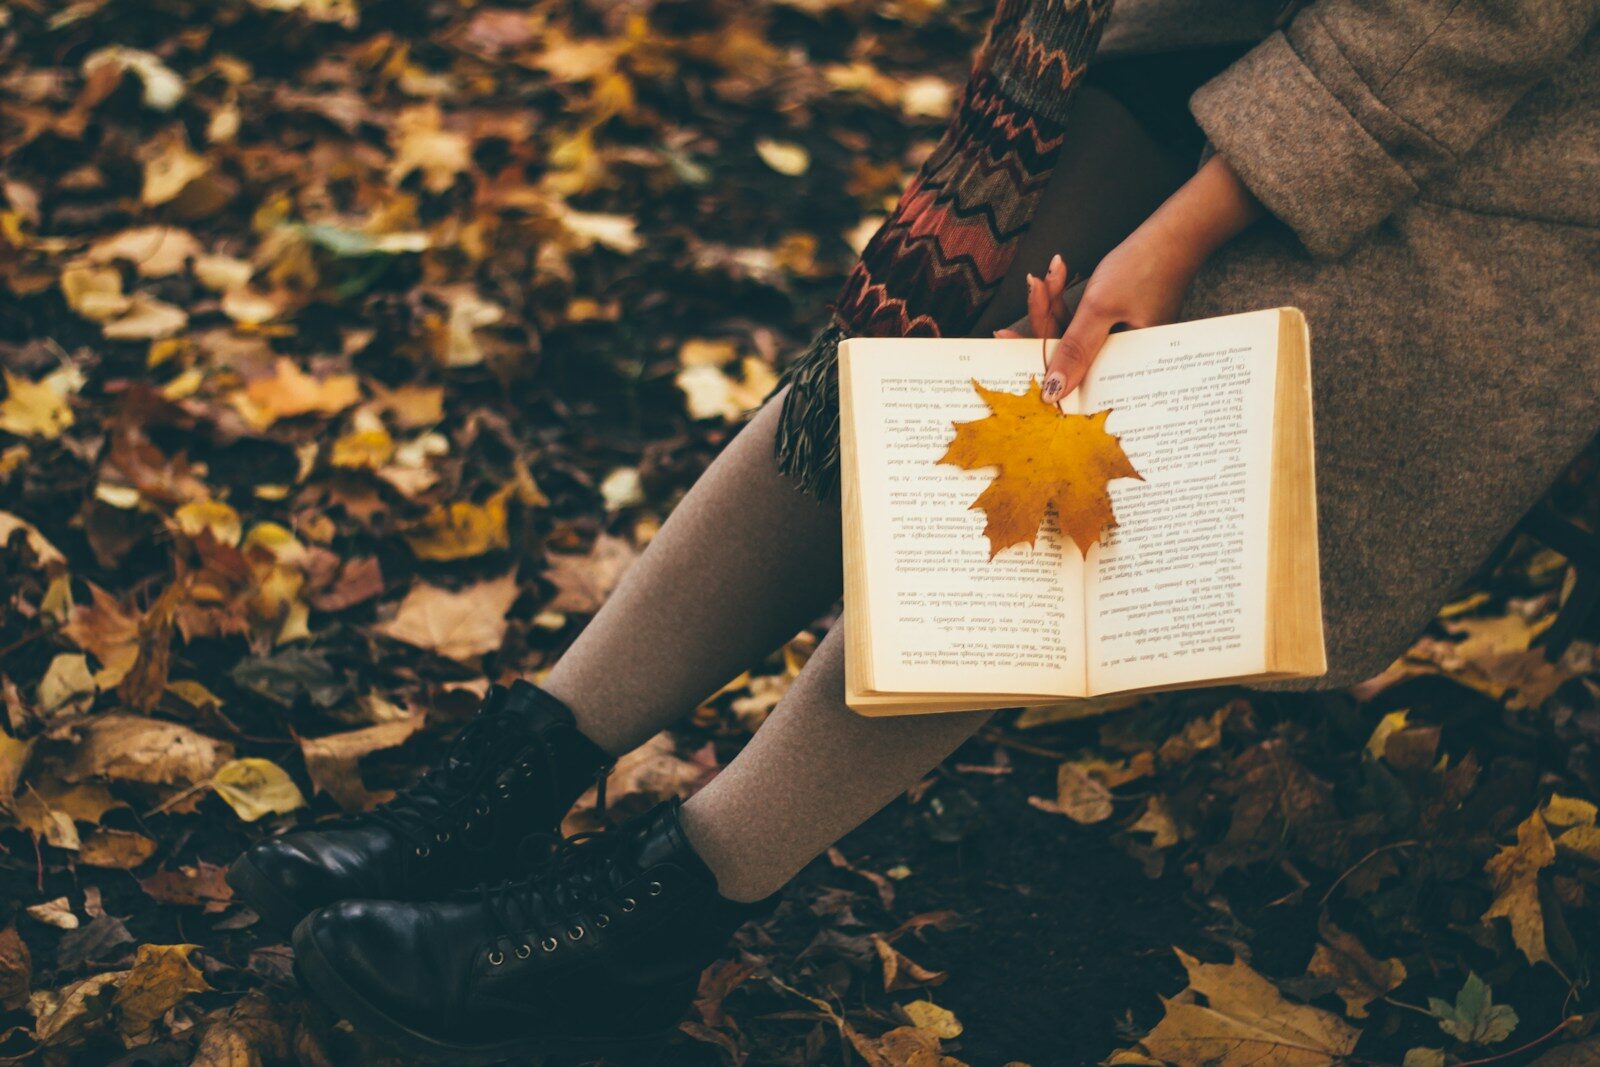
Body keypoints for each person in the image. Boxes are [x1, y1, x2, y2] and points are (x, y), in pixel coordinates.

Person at [231, 0, 1600, 1060]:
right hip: (1205, 36)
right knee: (904, 360)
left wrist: (1184, 229)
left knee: (1056, 470)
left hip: (1469, 141)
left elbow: (1479, 23)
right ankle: (509, 781)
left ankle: (661, 915)